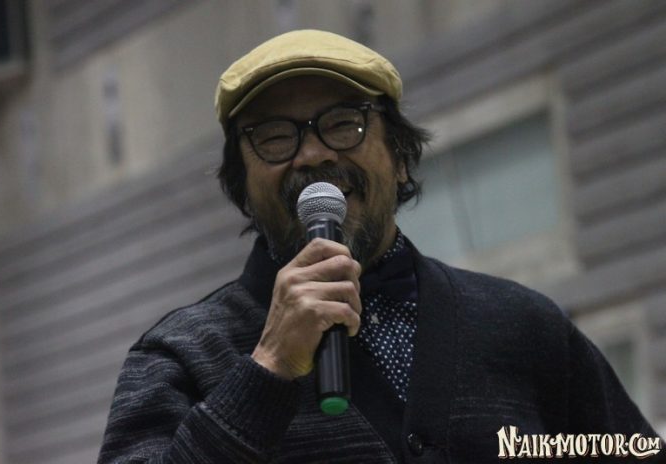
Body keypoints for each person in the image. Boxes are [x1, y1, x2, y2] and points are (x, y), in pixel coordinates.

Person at [97, 30, 664, 463]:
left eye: (344, 123)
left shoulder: (524, 326)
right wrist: (268, 369)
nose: (313, 154)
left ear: (400, 158)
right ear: (241, 187)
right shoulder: (179, 356)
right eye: (273, 136)